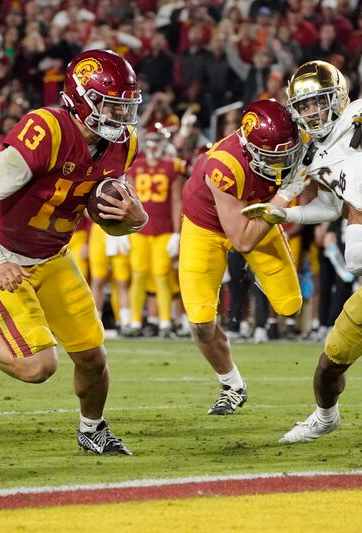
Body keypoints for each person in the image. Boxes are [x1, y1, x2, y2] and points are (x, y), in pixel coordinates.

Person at [0, 50, 147, 455]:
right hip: (6, 256)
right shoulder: (48, 129)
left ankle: (93, 430)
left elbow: (102, 207)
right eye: (112, 104)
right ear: (82, 98)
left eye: (126, 106)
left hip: (55, 257)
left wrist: (135, 219)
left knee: (92, 357)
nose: (121, 116)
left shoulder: (124, 144)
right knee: (38, 367)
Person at [244, 61, 362, 442]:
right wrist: (285, 212)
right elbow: (329, 207)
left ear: (339, 97)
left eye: (318, 102)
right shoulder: (314, 156)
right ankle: (325, 418)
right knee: (329, 366)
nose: (312, 112)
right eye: (305, 106)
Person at [180, 99, 304, 416]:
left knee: (291, 305)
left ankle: (259, 277)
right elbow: (243, 239)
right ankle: (232, 385)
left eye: (286, 154)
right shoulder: (225, 165)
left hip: (257, 212)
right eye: (272, 156)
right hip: (207, 226)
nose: (282, 163)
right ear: (250, 147)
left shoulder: (296, 140)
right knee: (201, 323)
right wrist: (284, 196)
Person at [125, 130, 184, 337]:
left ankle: (165, 323)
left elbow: (177, 201)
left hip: (164, 230)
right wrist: (123, 228)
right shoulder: (135, 165)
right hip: (139, 229)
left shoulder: (171, 166)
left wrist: (177, 232)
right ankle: (134, 322)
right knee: (139, 275)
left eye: (157, 141)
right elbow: (128, 198)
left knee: (161, 275)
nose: (153, 145)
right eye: (150, 141)